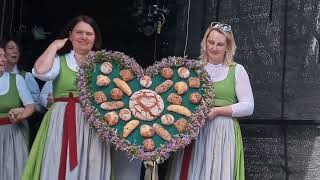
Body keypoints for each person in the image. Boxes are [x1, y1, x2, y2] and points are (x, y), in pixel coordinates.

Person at [22, 15, 111, 180]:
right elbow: (40, 71)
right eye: (79, 32)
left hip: (93, 121)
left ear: (95, 38)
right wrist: (54, 45)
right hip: (62, 119)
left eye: (89, 33)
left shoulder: (103, 63)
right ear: (70, 35)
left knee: (92, 161)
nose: (84, 37)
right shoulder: (59, 60)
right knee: (58, 161)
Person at [166, 22, 254, 180]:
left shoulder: (236, 70)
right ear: (205, 42)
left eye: (220, 44)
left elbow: (249, 106)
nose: (214, 47)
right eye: (211, 42)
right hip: (196, 131)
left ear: (228, 46)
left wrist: (218, 111)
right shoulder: (193, 69)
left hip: (222, 131)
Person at [0, 42, 35, 180]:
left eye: (3, 56)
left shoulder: (17, 79)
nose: (2, 59)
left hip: (11, 134)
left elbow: (30, 106)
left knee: (13, 172)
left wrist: (21, 115)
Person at [4, 38, 42, 112]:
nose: (15, 51)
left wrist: (25, 110)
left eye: (17, 49)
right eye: (11, 48)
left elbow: (37, 105)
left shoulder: (26, 76)